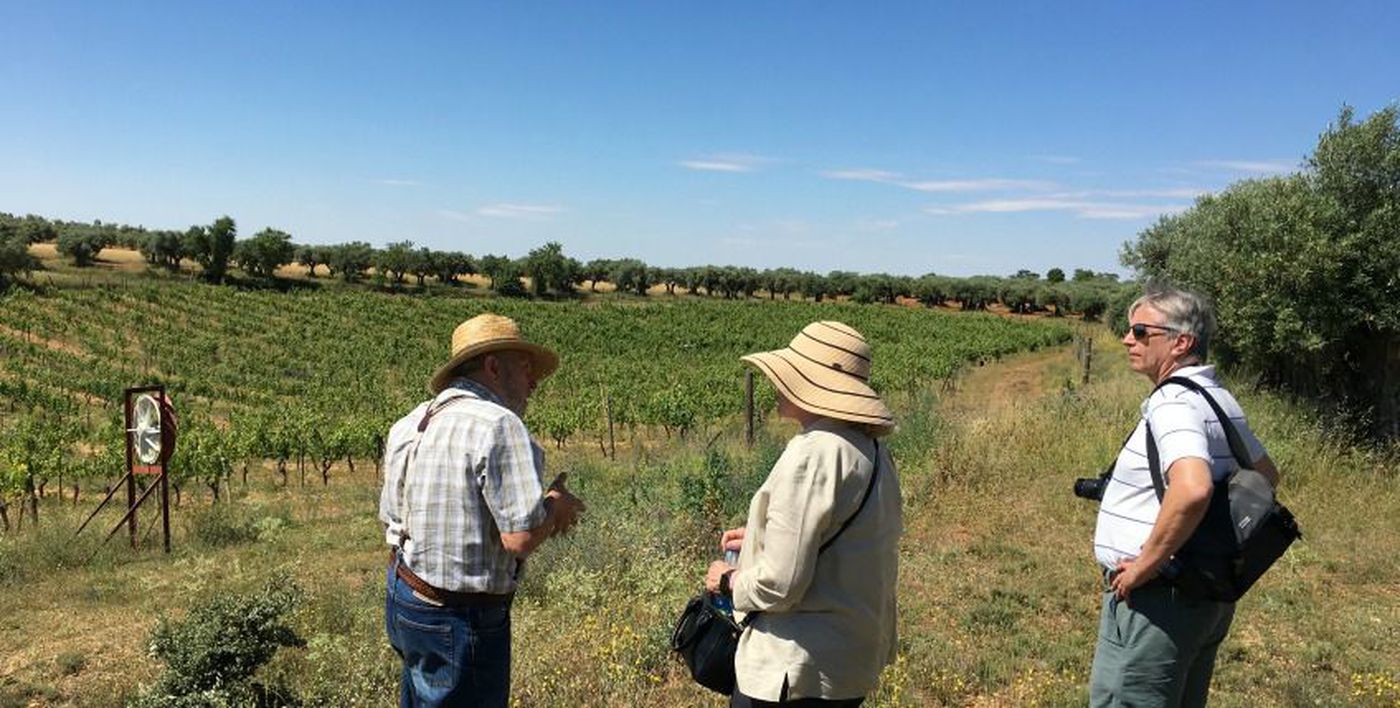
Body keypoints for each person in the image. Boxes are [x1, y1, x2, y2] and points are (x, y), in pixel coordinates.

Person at [379, 313, 585, 708]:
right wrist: (556, 506)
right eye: (525, 368)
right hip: (460, 617)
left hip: (404, 596)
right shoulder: (499, 424)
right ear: (493, 366)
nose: (534, 381)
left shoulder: (411, 421)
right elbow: (520, 539)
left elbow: (391, 516)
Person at [1089, 288, 1280, 707]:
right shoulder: (1217, 397)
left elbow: (1192, 487)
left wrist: (1145, 566)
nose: (1126, 339)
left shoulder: (1172, 402)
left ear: (1181, 342)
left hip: (1159, 602)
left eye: (1140, 331)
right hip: (1202, 594)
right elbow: (1266, 476)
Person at [704, 321, 902, 707]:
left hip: (796, 670)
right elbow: (852, 539)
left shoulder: (814, 452)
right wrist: (764, 534)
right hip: (848, 661)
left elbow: (781, 585)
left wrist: (728, 581)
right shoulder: (872, 452)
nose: (777, 386)